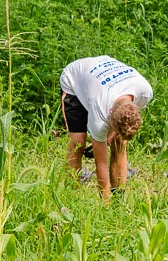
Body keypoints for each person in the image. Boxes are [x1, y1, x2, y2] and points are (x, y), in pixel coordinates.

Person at [60, 55, 153, 202]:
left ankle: (119, 200)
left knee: (119, 141)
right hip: (75, 80)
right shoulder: (99, 109)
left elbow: (122, 124)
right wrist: (105, 205)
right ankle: (72, 199)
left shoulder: (145, 91)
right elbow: (101, 164)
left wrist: (109, 138)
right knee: (78, 142)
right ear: (110, 113)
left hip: (103, 77)